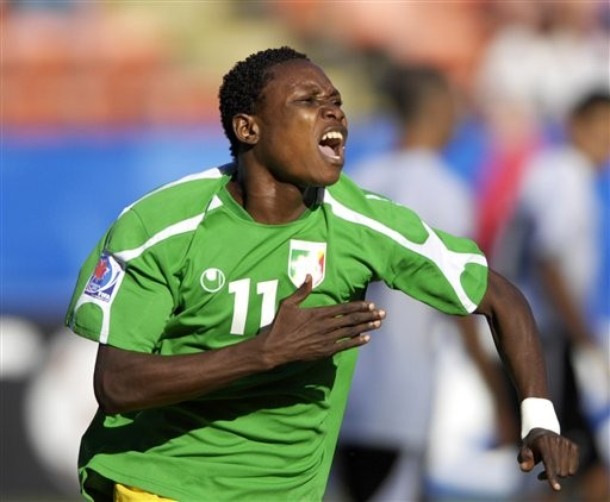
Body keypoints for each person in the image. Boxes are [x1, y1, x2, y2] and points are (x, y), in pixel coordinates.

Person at [65, 46, 578, 501]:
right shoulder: (159, 228)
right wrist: (262, 353)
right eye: (308, 101)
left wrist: (538, 418)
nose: (333, 111)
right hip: (160, 483)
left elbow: (502, 298)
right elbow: (117, 383)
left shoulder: (363, 223)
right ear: (248, 128)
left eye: (336, 100)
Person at [335, 65, 520, 502]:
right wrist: (498, 395)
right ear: (436, 108)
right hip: (399, 398)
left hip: (340, 393)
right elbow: (461, 303)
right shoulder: (443, 191)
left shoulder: (356, 182)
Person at [492, 90, 610, 500]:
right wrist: (584, 335)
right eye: (600, 126)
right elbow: (549, 260)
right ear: (576, 125)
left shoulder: (563, 174)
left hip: (546, 336)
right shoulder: (565, 175)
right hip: (540, 339)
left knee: (584, 461)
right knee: (552, 461)